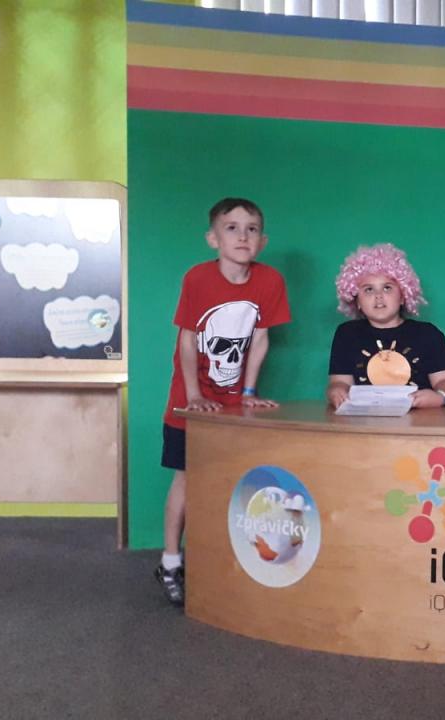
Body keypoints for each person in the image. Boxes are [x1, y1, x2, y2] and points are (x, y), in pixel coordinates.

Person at [157, 197, 291, 607]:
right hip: (190, 400)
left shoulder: (269, 281)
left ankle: (218, 560)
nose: (243, 236)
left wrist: (248, 393)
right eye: (232, 228)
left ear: (262, 241)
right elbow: (188, 339)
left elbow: (261, 338)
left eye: (252, 229)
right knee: (187, 479)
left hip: (233, 404)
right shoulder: (198, 278)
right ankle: (170, 561)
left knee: (232, 480)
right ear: (213, 239)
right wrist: (194, 397)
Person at [326, 244, 445, 409]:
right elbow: (339, 382)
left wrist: (440, 396)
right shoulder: (347, 334)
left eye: (387, 288)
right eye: (368, 289)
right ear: (357, 301)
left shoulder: (427, 334)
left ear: (403, 296)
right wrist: (337, 391)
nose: (378, 296)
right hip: (364, 419)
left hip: (419, 417)